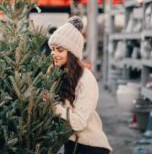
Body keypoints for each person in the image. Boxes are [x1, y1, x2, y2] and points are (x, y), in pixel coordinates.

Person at [47, 16, 112, 154]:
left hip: (90, 147)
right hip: (70, 144)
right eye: (52, 49)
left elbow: (78, 123)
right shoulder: (59, 74)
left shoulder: (86, 80)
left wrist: (52, 105)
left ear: (72, 52)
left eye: (60, 50)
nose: (54, 54)